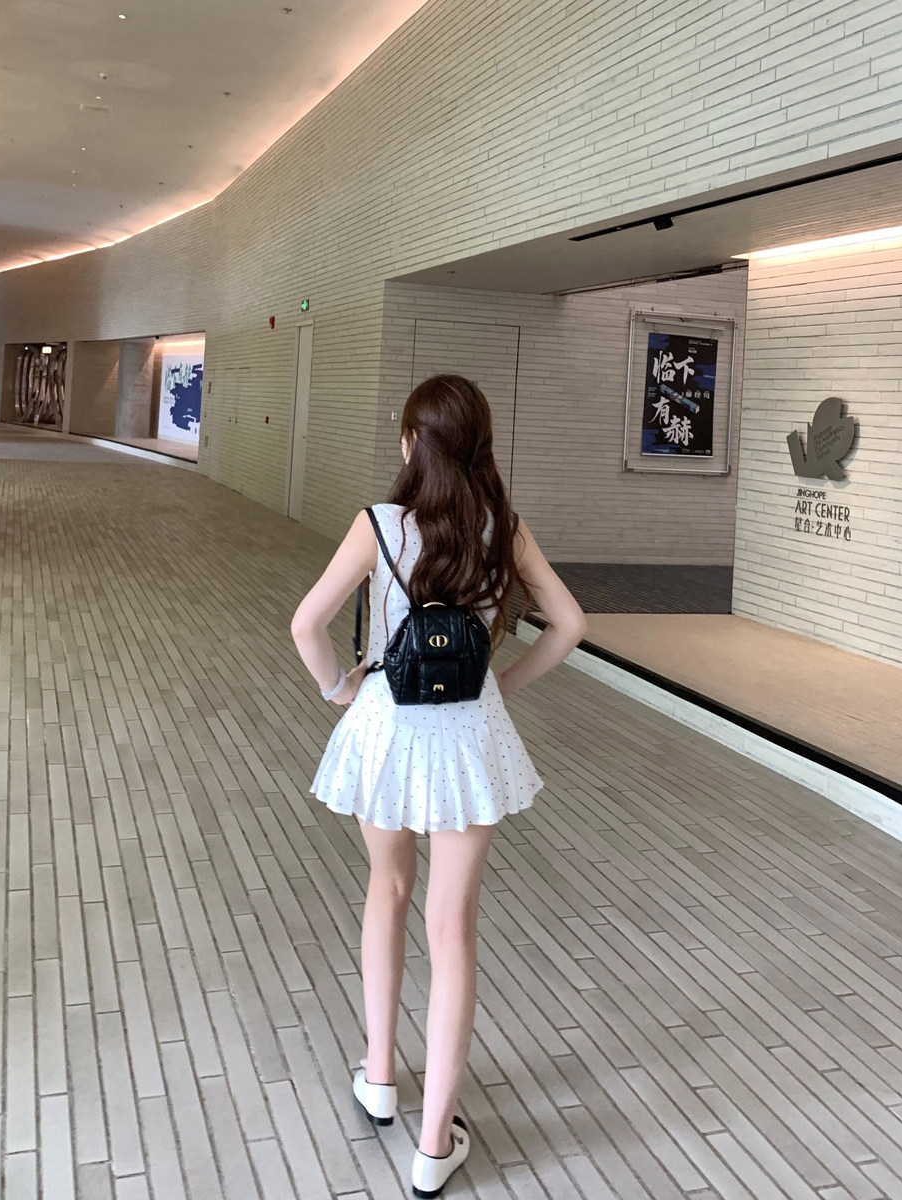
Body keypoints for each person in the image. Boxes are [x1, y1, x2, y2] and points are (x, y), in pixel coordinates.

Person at [290, 374, 586, 1197]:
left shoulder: (379, 524)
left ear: (412, 444)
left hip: (387, 729)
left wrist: (341, 689)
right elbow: (570, 625)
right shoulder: (503, 530)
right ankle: (434, 1144)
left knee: (387, 891)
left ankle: (380, 1076)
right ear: (478, 446)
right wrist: (502, 684)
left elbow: (307, 624)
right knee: (452, 928)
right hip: (468, 742)